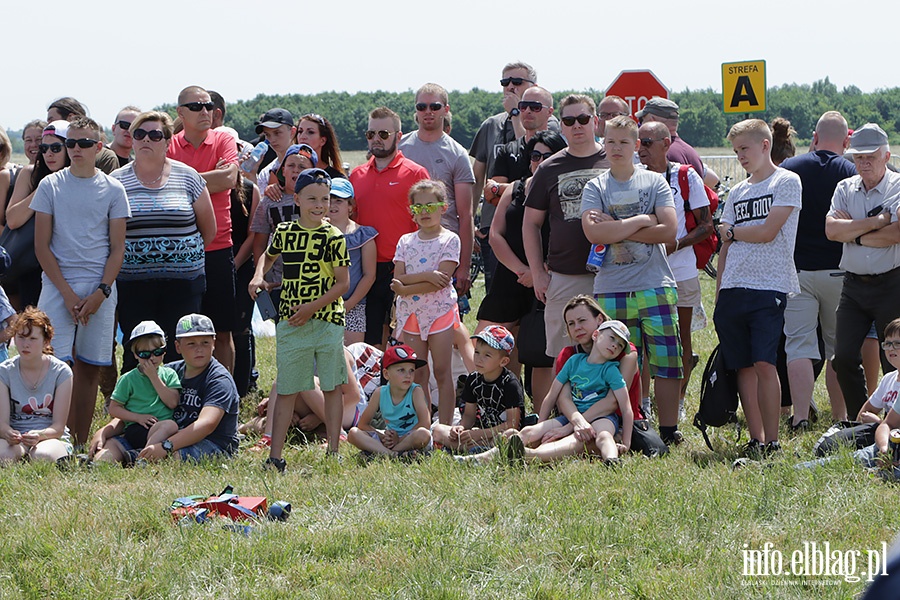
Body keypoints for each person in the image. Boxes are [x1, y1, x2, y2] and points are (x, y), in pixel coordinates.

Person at [581, 116, 683, 444]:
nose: (616, 148)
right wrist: (641, 219)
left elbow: (668, 231)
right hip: (611, 287)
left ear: (636, 145)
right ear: (603, 143)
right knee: (624, 360)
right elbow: (593, 232)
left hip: (655, 283)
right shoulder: (595, 187)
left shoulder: (655, 183)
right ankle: (635, 424)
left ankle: (669, 429)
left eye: (624, 142)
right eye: (610, 142)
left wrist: (616, 226)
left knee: (667, 359)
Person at [31, 116, 130, 446]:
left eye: (84, 143)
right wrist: (67, 293)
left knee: (90, 368)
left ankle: (78, 443)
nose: (75, 150)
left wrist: (100, 293)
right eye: (69, 144)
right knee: (54, 365)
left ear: (98, 146)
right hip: (58, 286)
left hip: (100, 288)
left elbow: (118, 248)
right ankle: (52, 441)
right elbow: (41, 246)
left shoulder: (114, 188)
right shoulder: (50, 185)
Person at [249, 168, 350, 472]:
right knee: (288, 387)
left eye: (325, 199)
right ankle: (275, 456)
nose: (320, 205)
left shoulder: (333, 236)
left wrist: (312, 307)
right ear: (297, 199)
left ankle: (334, 450)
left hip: (327, 319)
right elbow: (268, 255)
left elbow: (342, 284)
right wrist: (258, 276)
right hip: (291, 321)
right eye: (312, 199)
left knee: (331, 385)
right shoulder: (284, 232)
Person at [714, 119, 801, 457]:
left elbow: (768, 232)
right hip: (733, 287)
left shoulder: (787, 181)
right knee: (742, 367)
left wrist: (733, 231)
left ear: (765, 146)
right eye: (736, 152)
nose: (740, 157)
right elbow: (725, 246)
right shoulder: (737, 190)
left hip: (769, 287)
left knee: (765, 363)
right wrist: (720, 289)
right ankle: (757, 439)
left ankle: (774, 441)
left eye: (745, 149)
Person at [111, 111, 216, 372]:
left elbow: (209, 230)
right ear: (132, 140)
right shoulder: (115, 182)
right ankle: (133, 407)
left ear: (167, 141)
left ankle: (178, 404)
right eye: (140, 134)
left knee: (180, 347)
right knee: (136, 346)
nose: (147, 139)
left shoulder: (189, 176)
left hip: (184, 284)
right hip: (133, 284)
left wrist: (178, 254)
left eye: (155, 134)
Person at [476, 130, 567, 408]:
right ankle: (502, 411)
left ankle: (541, 416)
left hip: (550, 279)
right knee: (494, 345)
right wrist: (522, 270)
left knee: (541, 352)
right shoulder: (515, 188)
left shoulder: (566, 191)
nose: (539, 161)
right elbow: (496, 234)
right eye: (534, 156)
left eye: (546, 156)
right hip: (510, 276)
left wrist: (540, 271)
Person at [468, 320, 634, 465]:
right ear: (596, 334)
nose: (614, 345)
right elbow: (552, 395)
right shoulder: (574, 361)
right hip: (571, 416)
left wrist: (626, 443)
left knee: (602, 436)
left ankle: (611, 460)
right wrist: (541, 425)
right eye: (612, 338)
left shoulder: (611, 370)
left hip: (603, 418)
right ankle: (484, 457)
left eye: (620, 345)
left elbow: (626, 408)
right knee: (527, 432)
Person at [780, 111, 856, 428]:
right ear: (846, 141)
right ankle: (840, 418)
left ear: (813, 137)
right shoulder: (852, 172)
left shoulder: (789, 169)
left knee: (798, 346)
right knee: (838, 348)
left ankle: (800, 417)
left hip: (796, 271)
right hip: (840, 270)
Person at [522, 94, 610, 359]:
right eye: (569, 120)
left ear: (595, 121)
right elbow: (530, 224)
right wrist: (538, 273)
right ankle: (563, 404)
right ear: (560, 126)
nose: (577, 126)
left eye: (583, 119)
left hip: (612, 275)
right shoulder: (548, 168)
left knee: (611, 353)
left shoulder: (615, 160)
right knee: (564, 359)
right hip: (564, 277)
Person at [637, 120, 714, 422]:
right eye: (638, 142)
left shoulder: (685, 176)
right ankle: (643, 402)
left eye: (647, 142)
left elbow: (707, 225)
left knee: (680, 338)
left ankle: (678, 401)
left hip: (680, 270)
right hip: (642, 270)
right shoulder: (634, 177)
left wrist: (676, 245)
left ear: (666, 144)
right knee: (641, 339)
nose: (640, 148)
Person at [826, 123, 900, 420]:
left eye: (871, 156)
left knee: (892, 357)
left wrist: (852, 232)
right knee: (842, 357)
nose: (864, 163)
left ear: (887, 155)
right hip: (853, 286)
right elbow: (831, 230)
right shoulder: (845, 188)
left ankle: (894, 423)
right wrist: (876, 222)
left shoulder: (897, 186)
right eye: (858, 157)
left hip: (891, 283)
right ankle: (863, 421)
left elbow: (896, 234)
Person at [166, 86, 239, 372]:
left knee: (221, 332)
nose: (205, 112)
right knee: (183, 333)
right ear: (180, 113)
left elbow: (230, 178)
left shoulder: (223, 138)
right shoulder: (169, 145)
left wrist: (182, 179)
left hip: (219, 248)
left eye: (208, 106)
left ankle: (224, 400)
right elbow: (162, 182)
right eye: (196, 107)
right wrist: (212, 177)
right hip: (180, 251)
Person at [470, 61, 559, 293]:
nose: (510, 87)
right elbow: (481, 180)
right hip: (496, 223)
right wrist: (470, 220)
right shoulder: (491, 124)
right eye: (505, 82)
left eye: (517, 82)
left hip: (539, 225)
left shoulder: (550, 125)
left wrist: (517, 114)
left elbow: (528, 154)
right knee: (499, 295)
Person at [350, 107, 429, 348]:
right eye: (370, 133)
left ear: (398, 135)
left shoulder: (416, 173)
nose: (376, 139)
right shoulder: (356, 175)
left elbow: (427, 223)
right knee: (372, 339)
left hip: (404, 267)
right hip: (366, 268)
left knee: (405, 339)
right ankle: (376, 385)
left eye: (383, 133)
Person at [551, 295, 667, 457]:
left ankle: (533, 453)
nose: (577, 327)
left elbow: (612, 402)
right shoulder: (568, 355)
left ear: (599, 319)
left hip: (619, 422)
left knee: (592, 437)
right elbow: (563, 398)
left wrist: (574, 426)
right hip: (576, 420)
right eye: (571, 324)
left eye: (582, 320)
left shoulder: (626, 352)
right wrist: (577, 422)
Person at [391, 180, 461, 425]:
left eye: (430, 205)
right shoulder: (405, 241)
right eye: (418, 206)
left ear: (443, 207)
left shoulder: (450, 239)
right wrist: (427, 276)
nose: (424, 211)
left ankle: (444, 426)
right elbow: (397, 278)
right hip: (411, 314)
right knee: (418, 372)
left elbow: (442, 282)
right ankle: (422, 425)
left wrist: (406, 288)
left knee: (442, 371)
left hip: (439, 313)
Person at [399, 83, 475, 296]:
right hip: (405, 246)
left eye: (435, 106)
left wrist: (464, 267)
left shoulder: (457, 154)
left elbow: (465, 214)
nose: (428, 112)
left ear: (446, 109)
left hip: (443, 250)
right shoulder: (400, 148)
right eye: (422, 106)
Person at [135, 314, 240, 463]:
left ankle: (138, 458)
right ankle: (135, 456)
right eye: (191, 343)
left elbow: (207, 424)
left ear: (214, 343)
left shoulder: (219, 379)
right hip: (172, 436)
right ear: (178, 346)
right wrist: (106, 431)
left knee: (175, 457)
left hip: (214, 443)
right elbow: (136, 403)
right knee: (117, 444)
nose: (199, 349)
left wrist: (166, 446)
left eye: (205, 342)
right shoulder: (170, 372)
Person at [5, 121, 71, 310]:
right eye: (44, 148)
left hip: (69, 264)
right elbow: (13, 219)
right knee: (34, 329)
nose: (48, 153)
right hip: (32, 265)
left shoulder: (78, 179)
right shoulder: (31, 174)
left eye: (56, 148)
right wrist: (45, 187)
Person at [813, 318, 900, 456]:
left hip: (894, 437)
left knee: (833, 449)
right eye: (888, 343)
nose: (891, 348)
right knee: (829, 444)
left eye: (897, 344)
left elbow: (892, 424)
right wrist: (862, 425)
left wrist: (878, 422)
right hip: (881, 433)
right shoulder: (888, 379)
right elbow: (866, 411)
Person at [433, 325, 524, 451]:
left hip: (498, 434)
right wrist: (461, 428)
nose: (479, 359)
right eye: (477, 352)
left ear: (503, 361)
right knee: (439, 430)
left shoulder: (510, 383)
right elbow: (469, 416)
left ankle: (478, 449)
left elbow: (512, 424)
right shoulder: (473, 379)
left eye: (487, 355)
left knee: (510, 435)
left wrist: (479, 434)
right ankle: (482, 449)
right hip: (479, 433)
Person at [0, 307, 73, 463]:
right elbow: (2, 423)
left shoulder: (62, 372)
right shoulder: (4, 371)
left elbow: (58, 427)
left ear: (46, 341)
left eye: (32, 339)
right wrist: (8, 433)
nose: (25, 344)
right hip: (15, 438)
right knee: (3, 456)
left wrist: (39, 435)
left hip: (50, 437)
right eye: (20, 337)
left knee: (42, 456)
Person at [103, 321, 181, 454]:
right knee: (170, 425)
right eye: (144, 354)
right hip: (137, 427)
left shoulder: (169, 374)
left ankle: (140, 455)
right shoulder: (128, 379)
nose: (152, 358)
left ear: (164, 351)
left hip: (162, 428)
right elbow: (114, 409)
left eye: (157, 352)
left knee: (170, 425)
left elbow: (173, 402)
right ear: (135, 354)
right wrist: (138, 417)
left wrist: (154, 378)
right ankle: (145, 455)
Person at [347, 343, 432, 458]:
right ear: (386, 374)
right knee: (353, 433)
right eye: (401, 370)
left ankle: (380, 452)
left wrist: (399, 439)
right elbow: (363, 424)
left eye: (411, 370)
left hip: (411, 437)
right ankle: (394, 455)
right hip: (390, 438)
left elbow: (425, 423)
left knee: (423, 434)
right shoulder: (380, 393)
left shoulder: (416, 391)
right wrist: (384, 438)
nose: (408, 375)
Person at [328, 177, 377, 345]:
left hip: (353, 304)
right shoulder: (316, 233)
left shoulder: (363, 235)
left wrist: (349, 304)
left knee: (352, 356)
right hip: (321, 304)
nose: (332, 205)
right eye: (328, 200)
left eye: (339, 201)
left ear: (350, 206)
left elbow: (369, 275)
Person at [46, 97, 120, 174]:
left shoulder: (104, 157)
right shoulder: (48, 154)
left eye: (51, 120)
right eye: (70, 144)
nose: (49, 125)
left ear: (71, 118)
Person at [635, 98, 703, 177]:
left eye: (641, 120)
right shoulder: (692, 153)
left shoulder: (661, 152)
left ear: (652, 121)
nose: (640, 125)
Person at [296, 113, 345, 177]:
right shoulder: (290, 173)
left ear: (322, 141)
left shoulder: (335, 178)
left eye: (310, 132)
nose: (302, 136)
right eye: (300, 131)